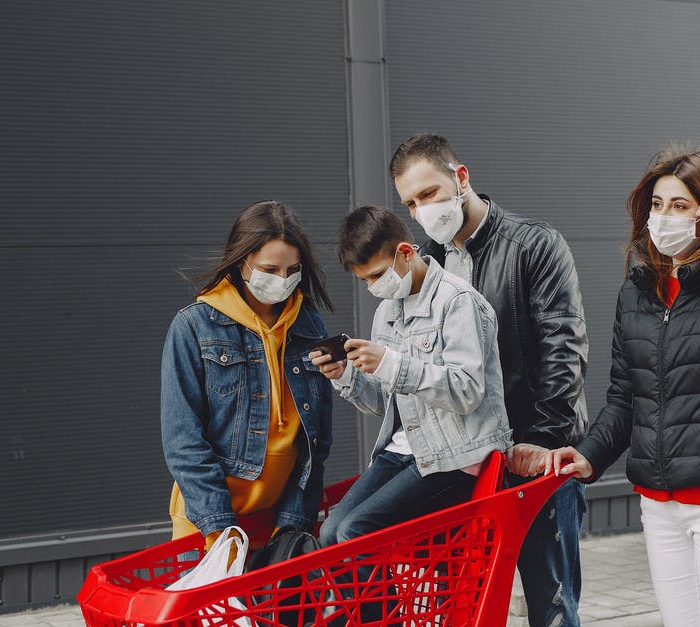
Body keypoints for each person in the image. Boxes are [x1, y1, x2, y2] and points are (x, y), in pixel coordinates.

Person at [538, 148, 700, 627]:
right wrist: (589, 454)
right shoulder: (638, 291)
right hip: (659, 505)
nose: (664, 216)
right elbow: (625, 397)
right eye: (657, 204)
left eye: (680, 205)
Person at [390, 133, 589, 626]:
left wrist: (542, 441)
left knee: (552, 605)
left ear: (461, 178)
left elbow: (563, 351)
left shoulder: (534, 246)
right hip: (460, 465)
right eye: (411, 203)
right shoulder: (424, 263)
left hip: (531, 460)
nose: (422, 210)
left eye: (429, 193)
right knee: (464, 609)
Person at [314, 205, 512, 547]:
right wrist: (346, 374)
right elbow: (385, 404)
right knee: (331, 531)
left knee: (355, 530)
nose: (373, 287)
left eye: (377, 275)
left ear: (406, 252)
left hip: (455, 457)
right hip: (404, 452)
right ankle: (371, 604)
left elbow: (467, 391)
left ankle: (381, 604)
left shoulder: (458, 301)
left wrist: (392, 364)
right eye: (365, 281)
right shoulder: (387, 311)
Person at [160, 200, 334, 549]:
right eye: (270, 270)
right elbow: (183, 442)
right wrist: (220, 529)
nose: (282, 281)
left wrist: (292, 523)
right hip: (208, 523)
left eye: (292, 270)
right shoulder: (193, 326)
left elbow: (316, 440)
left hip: (279, 522)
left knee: (287, 606)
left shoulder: (309, 324)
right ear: (242, 263)